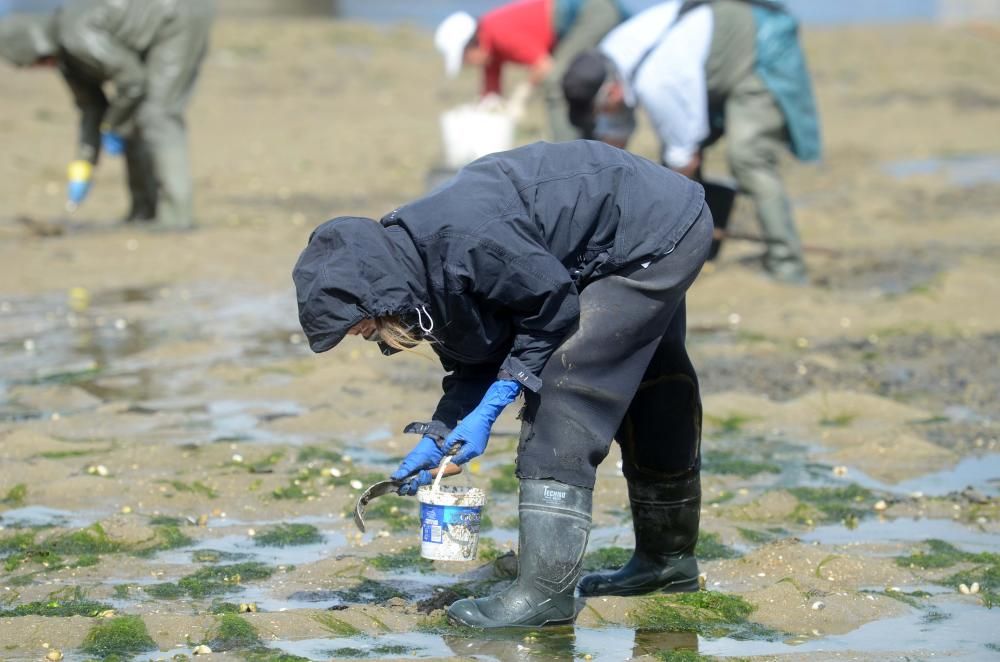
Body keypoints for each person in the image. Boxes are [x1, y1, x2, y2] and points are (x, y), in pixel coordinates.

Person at [293, 140, 713, 628]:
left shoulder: (465, 241)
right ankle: (667, 564)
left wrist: (497, 403)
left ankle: (544, 596)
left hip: (652, 229)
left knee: (565, 388)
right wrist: (441, 432)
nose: (361, 334)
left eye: (356, 324)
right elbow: (478, 357)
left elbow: (552, 309)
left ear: (372, 291)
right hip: (603, 244)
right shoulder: (417, 274)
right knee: (651, 389)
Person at [560, 0, 821, 283]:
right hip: (706, 61)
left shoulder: (658, 82)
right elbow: (613, 142)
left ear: (612, 93)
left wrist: (649, 225)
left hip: (756, 50)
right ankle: (696, 248)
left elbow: (685, 160)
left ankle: (788, 266)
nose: (601, 119)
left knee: (747, 158)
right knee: (671, 163)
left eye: (600, 112)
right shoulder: (607, 59)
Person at [0, 1, 215, 230]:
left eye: (37, 62)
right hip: (156, 29)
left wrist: (114, 125)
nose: (42, 67)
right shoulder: (66, 60)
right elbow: (92, 109)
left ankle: (177, 217)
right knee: (132, 116)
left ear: (36, 45)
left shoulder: (77, 37)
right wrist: (85, 162)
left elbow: (132, 81)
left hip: (177, 16)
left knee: (158, 115)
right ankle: (143, 211)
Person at [434, 0, 663, 142]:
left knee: (556, 81)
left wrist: (521, 96)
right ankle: (590, 139)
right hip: (585, 18)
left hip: (595, 10)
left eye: (465, 59)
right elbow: (490, 94)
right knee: (582, 79)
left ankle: (569, 151)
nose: (469, 64)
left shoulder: (498, 31)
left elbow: (544, 67)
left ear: (472, 44)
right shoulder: (490, 50)